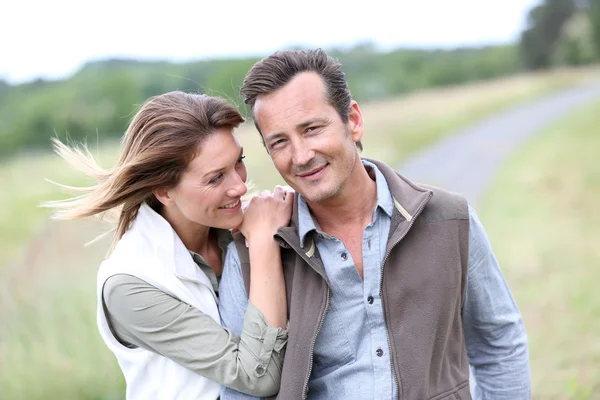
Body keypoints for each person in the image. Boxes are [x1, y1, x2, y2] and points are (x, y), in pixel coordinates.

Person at [219, 49, 531, 400]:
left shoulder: (450, 219)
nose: (301, 155)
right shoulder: (250, 257)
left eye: (312, 129)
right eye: (279, 142)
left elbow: (498, 343)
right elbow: (241, 394)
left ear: (352, 120)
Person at [44, 91, 293, 399]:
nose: (240, 186)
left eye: (238, 162)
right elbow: (258, 377)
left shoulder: (235, 229)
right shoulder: (130, 285)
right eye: (215, 178)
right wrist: (264, 244)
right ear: (163, 191)